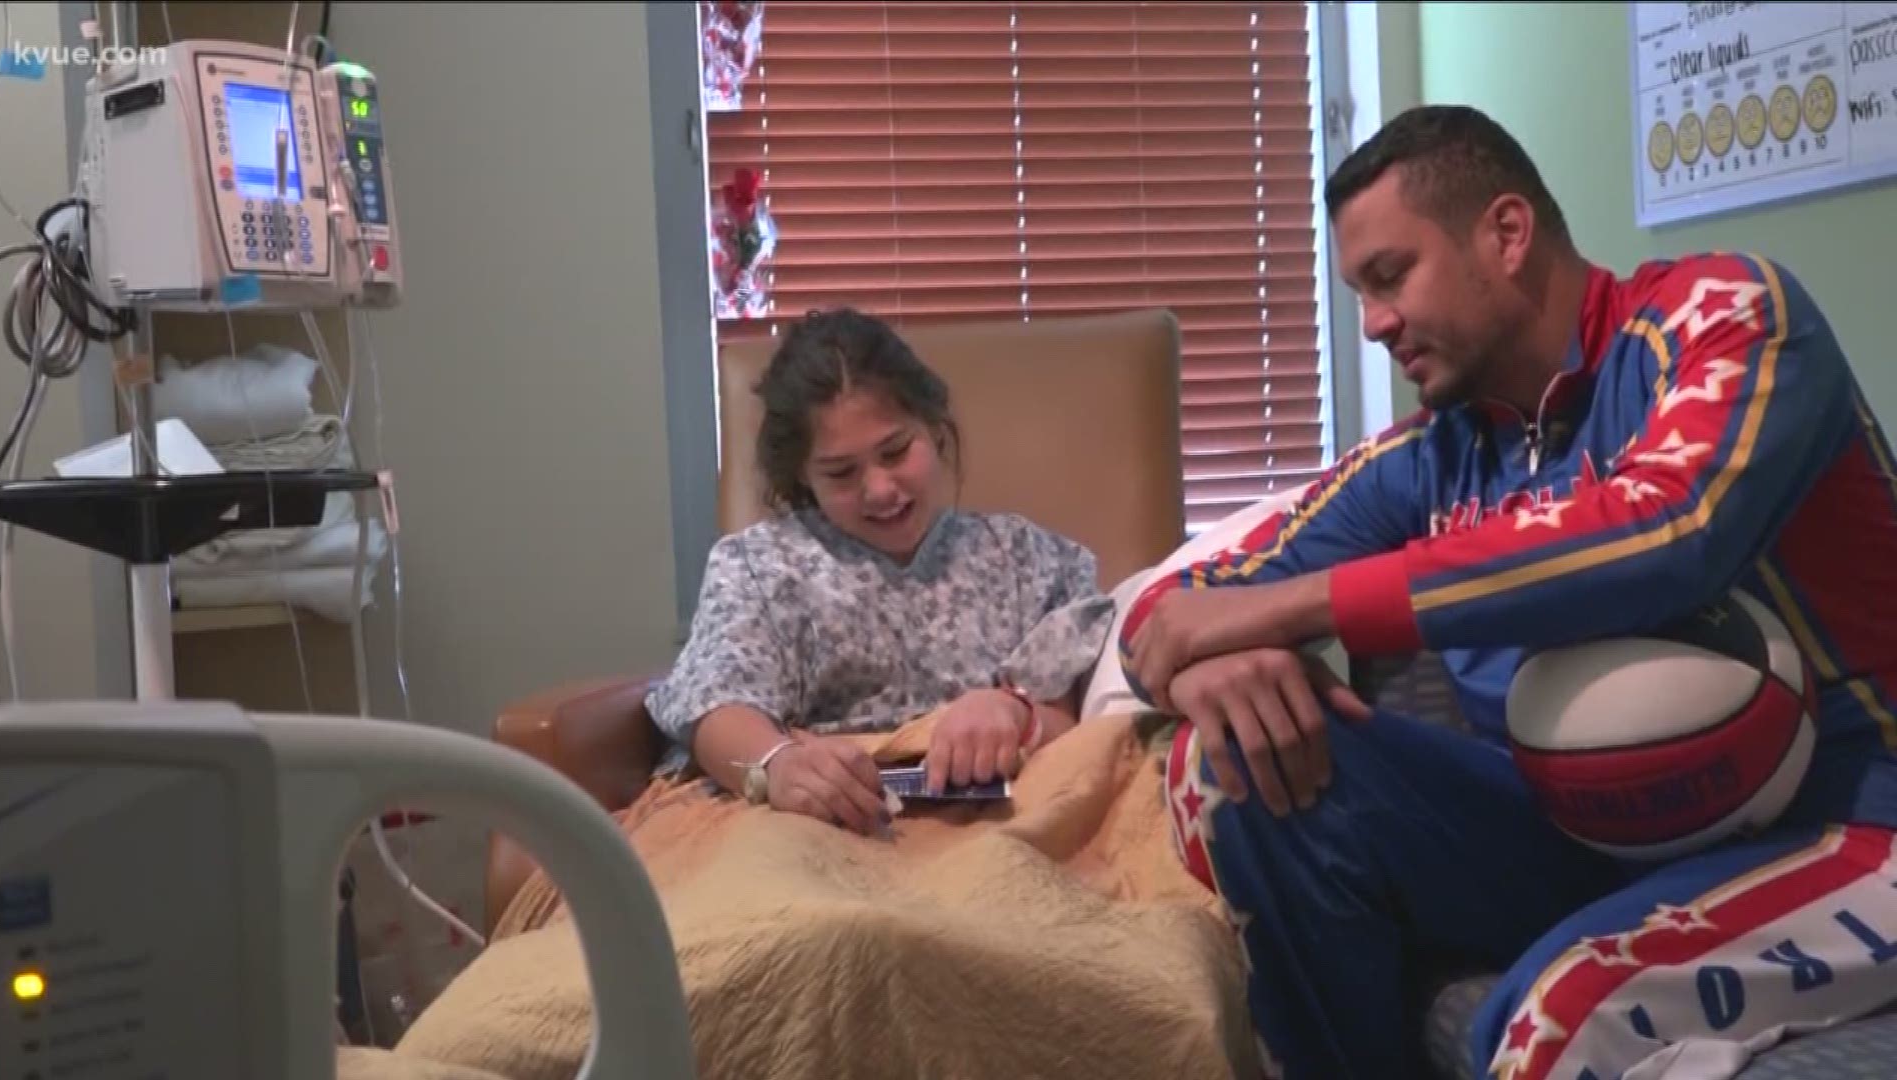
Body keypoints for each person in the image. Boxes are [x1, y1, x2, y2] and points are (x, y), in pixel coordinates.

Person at [1119, 104, 1897, 1080]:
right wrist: (1201, 667)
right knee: (1219, 768)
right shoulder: (1427, 460)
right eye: (1359, 292)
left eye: (1390, 276)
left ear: (1508, 233)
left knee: (1551, 1024)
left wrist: (1293, 610)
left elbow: (1668, 529)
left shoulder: (1726, 315)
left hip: (1853, 817)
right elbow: (1174, 601)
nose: (1373, 324)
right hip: (1591, 828)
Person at [646, 306, 1114, 835]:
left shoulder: (1026, 557)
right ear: (801, 476)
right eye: (841, 473)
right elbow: (715, 710)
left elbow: (1075, 718)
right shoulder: (759, 567)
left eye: (896, 451)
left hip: (997, 823)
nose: (881, 490)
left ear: (934, 430)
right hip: (816, 826)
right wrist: (777, 764)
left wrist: (1012, 711)